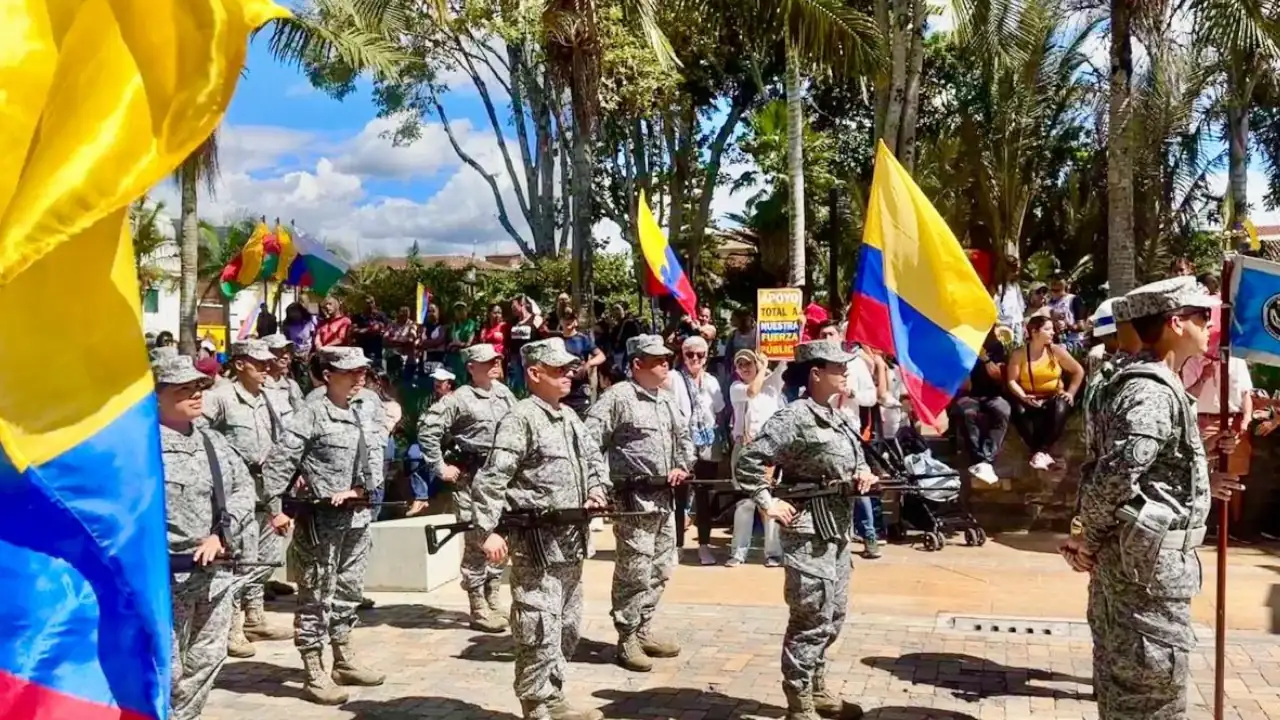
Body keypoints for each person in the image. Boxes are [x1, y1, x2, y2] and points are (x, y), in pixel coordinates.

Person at [1063, 276, 1240, 719]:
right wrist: (1086, 536)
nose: (1209, 325)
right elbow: (1116, 473)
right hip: (1145, 571)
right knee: (1151, 686)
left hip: (1139, 564)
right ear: (1176, 323)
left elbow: (1141, 468)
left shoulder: (1141, 381)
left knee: (1134, 681)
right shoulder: (1150, 389)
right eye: (1202, 317)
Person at [735, 339, 878, 720]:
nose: (845, 372)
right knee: (810, 615)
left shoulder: (837, 417)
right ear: (816, 373)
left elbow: (856, 461)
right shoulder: (794, 417)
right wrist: (767, 502)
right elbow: (749, 461)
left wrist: (863, 475)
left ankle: (817, 685)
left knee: (833, 615)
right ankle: (799, 702)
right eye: (838, 367)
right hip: (809, 533)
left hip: (837, 532)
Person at [470, 338, 610, 720]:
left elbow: (595, 461)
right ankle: (535, 703)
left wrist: (597, 489)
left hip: (571, 544)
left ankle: (554, 694)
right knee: (538, 624)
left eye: (570, 367)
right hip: (536, 545)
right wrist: (488, 531)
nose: (569, 373)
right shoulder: (521, 418)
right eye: (559, 368)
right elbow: (491, 480)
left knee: (566, 625)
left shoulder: (570, 418)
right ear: (535, 373)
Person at [261, 346, 385, 705]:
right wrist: (276, 509)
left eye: (363, 371)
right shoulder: (311, 415)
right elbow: (279, 464)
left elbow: (375, 460)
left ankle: (343, 658)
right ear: (328, 375)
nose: (360, 378)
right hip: (322, 523)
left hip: (358, 517)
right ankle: (313, 669)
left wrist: (360, 489)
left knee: (349, 590)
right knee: (316, 594)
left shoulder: (363, 411)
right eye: (351, 372)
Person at [585, 335, 694, 672]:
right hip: (633, 501)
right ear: (637, 364)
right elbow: (589, 441)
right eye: (657, 360)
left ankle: (644, 626)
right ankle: (627, 635)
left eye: (666, 358)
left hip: (664, 500)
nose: (665, 364)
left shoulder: (666, 401)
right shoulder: (617, 398)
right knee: (634, 570)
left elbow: (685, 438)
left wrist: (682, 465)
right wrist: (597, 485)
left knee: (661, 567)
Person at [156, 354, 257, 720]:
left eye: (198, 386)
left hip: (214, 576)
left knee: (207, 660)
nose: (196, 395)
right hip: (166, 579)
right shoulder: (142, 449)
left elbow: (245, 491)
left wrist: (221, 534)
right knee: (167, 668)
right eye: (183, 389)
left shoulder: (213, 441)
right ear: (157, 396)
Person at [201, 340, 295, 655]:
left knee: (263, 558)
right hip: (234, 494)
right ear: (240, 364)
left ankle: (255, 615)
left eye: (270, 363)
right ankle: (233, 627)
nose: (268, 368)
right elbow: (198, 433)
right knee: (239, 560)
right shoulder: (221, 398)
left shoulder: (270, 397)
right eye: (260, 363)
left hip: (268, 489)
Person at [417, 344, 518, 633]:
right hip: (472, 478)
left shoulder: (503, 393)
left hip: (501, 477)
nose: (494, 364)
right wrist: (440, 467)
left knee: (501, 535)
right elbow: (428, 429)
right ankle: (477, 604)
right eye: (486, 362)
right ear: (471, 367)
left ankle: (493, 595)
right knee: (477, 537)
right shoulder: (458, 399)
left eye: (496, 360)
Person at [667, 335, 725, 565]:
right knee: (679, 497)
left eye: (699, 354)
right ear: (682, 355)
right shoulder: (673, 377)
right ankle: (678, 545)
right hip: (681, 444)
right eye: (689, 354)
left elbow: (719, 412)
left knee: (703, 497)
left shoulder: (711, 381)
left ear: (706, 356)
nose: (694, 359)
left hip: (707, 444)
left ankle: (703, 545)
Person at [726, 349, 787, 567]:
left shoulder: (773, 384)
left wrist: (798, 327)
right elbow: (752, 391)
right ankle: (738, 552)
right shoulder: (736, 387)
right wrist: (762, 369)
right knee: (745, 502)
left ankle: (772, 552)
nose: (745, 368)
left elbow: (785, 359)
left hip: (769, 450)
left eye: (748, 363)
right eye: (740, 364)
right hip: (744, 450)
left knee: (768, 501)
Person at [1185, 353, 1253, 532]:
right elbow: (1186, 396)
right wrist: (1204, 376)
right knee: (1200, 469)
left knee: (1235, 472)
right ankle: (1200, 523)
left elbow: (1246, 394)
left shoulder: (1238, 360)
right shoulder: (1192, 360)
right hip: (1203, 419)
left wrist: (1246, 419)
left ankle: (1235, 525)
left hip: (1233, 420)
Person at [1006, 315, 1084, 470]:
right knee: (1017, 410)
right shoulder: (1019, 354)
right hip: (1028, 397)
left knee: (1062, 405)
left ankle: (1040, 452)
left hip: (1052, 397)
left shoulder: (1056, 351)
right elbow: (1012, 381)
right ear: (1034, 332)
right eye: (1048, 329)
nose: (1052, 333)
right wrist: (1023, 396)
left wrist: (1071, 393)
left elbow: (1078, 371)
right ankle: (1040, 453)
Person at [948, 330, 1011, 486]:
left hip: (991, 395)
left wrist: (985, 359)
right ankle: (978, 459)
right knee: (967, 413)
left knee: (1003, 410)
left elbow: (997, 376)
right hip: (968, 395)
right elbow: (965, 384)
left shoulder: (996, 347)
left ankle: (987, 457)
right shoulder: (960, 345)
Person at [560, 309, 607, 417]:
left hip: (579, 386)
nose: (568, 321)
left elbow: (601, 356)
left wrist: (588, 364)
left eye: (571, 318)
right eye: (565, 318)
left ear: (575, 321)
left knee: (583, 417)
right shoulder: (556, 340)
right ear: (561, 321)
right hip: (562, 385)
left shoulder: (582, 339)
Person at [262, 333, 306, 423]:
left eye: (287, 351)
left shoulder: (291, 386)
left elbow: (301, 419)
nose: (286, 356)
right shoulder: (256, 385)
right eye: (279, 351)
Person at [993, 257, 1026, 345]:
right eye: (1014, 269)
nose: (1016, 273)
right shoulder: (996, 287)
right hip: (1003, 324)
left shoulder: (1015, 286)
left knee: (1017, 348)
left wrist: (1023, 324)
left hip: (1016, 323)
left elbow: (1020, 307)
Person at [351, 297, 389, 371]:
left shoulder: (381, 316)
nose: (370, 305)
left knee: (378, 373)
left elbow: (387, 329)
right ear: (362, 304)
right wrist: (368, 329)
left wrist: (381, 330)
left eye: (372, 302)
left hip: (378, 350)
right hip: (361, 350)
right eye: (367, 303)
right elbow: (353, 330)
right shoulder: (357, 317)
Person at [384, 305, 420, 380]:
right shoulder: (392, 324)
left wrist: (393, 340)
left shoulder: (412, 325)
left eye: (405, 315)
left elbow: (410, 340)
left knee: (406, 382)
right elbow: (385, 338)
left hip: (407, 359)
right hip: (392, 357)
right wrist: (401, 341)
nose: (403, 316)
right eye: (401, 314)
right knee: (392, 381)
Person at [445, 300, 479, 378]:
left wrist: (455, 344)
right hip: (453, 357)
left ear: (466, 311)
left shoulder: (471, 323)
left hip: (466, 357)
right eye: (457, 310)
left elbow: (469, 343)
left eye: (462, 309)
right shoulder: (453, 325)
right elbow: (449, 342)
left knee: (464, 379)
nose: (459, 312)